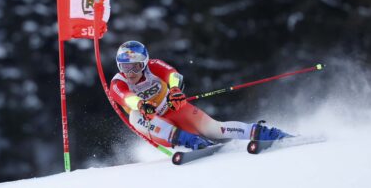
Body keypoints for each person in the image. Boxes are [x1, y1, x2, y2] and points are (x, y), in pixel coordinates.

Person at [109, 41, 291, 150]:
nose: (130, 72)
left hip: (173, 109)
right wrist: (141, 104)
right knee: (134, 116)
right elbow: (125, 97)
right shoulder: (118, 82)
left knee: (216, 129)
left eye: (136, 66)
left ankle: (261, 132)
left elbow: (173, 75)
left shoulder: (154, 66)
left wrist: (174, 90)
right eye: (125, 67)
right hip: (155, 125)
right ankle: (188, 140)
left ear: (145, 63)